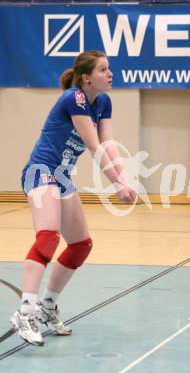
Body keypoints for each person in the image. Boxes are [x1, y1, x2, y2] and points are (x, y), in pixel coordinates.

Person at [10, 50, 137, 345]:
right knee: (48, 237)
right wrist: (116, 184)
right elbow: (94, 147)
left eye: (109, 69)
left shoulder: (103, 101)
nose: (110, 74)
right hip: (41, 171)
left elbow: (108, 143)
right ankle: (25, 310)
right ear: (86, 78)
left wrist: (125, 180)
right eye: (103, 70)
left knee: (81, 245)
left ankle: (47, 305)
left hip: (62, 177)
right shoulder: (74, 99)